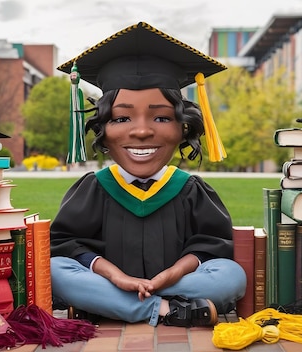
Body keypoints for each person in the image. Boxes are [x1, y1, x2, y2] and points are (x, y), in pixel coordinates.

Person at [50, 22, 246, 328]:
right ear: (103, 127)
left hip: (172, 282)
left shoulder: (190, 189)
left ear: (182, 126)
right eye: (122, 117)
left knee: (231, 275)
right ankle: (169, 310)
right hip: (110, 279)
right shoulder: (95, 187)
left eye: (161, 117)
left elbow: (213, 244)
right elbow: (66, 244)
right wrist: (115, 276)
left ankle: (111, 304)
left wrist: (172, 274)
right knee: (54, 270)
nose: (141, 131)